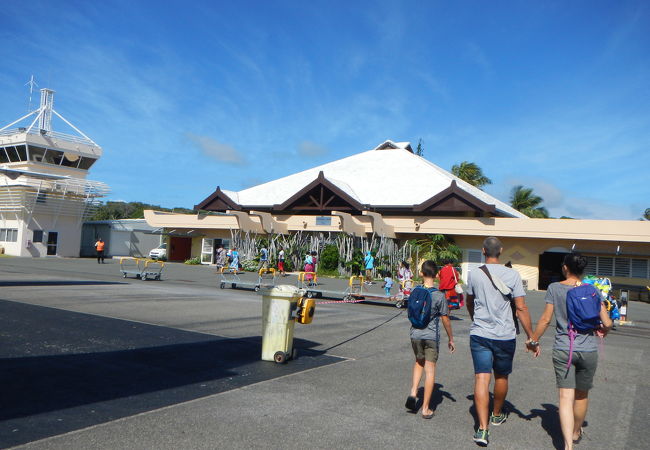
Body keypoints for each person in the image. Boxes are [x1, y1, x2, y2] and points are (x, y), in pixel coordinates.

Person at [529, 253, 612, 450]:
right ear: (582, 270)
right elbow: (607, 322)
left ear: (565, 267)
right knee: (581, 396)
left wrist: (533, 340)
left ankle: (567, 446)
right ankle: (575, 432)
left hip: (564, 348)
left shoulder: (555, 288)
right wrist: (603, 330)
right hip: (589, 349)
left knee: (565, 398)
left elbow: (545, 320)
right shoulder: (592, 290)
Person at [465, 237, 537, 446]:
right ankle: (496, 414)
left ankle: (482, 429)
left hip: (480, 334)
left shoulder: (475, 273)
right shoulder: (513, 275)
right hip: (505, 335)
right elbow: (521, 308)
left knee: (481, 379)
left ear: (483, 251)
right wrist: (531, 336)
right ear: (501, 251)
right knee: (501, 376)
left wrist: (475, 319)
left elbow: (469, 301)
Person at [405, 260, 455, 419]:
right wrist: (451, 338)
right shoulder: (439, 296)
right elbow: (446, 320)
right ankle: (425, 408)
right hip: (431, 336)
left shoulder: (415, 291)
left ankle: (413, 392)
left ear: (421, 273)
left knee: (419, 361)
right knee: (430, 370)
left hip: (415, 334)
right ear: (437, 275)